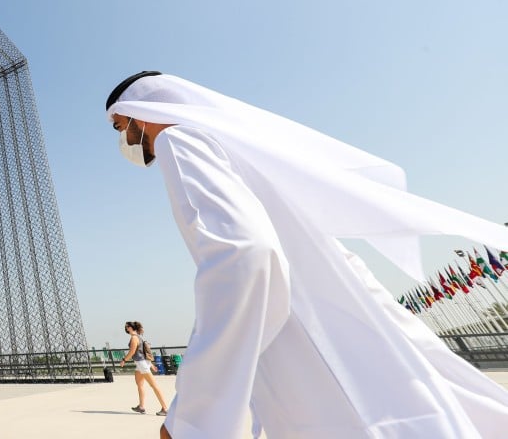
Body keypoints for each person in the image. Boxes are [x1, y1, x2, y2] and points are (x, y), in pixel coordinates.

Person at [106, 72, 508, 439]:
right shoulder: (240, 156)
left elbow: (243, 256)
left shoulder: (179, 141)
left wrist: (193, 417)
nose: (123, 139)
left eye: (120, 126)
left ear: (140, 114)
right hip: (355, 344)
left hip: (312, 359)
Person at [120, 321, 168, 416]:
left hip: (142, 364)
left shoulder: (134, 338)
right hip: (141, 364)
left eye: (127, 327)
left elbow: (132, 351)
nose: (126, 329)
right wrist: (151, 365)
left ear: (130, 328)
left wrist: (124, 360)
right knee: (139, 384)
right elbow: (143, 353)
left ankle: (165, 408)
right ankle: (141, 407)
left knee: (154, 386)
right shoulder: (138, 337)